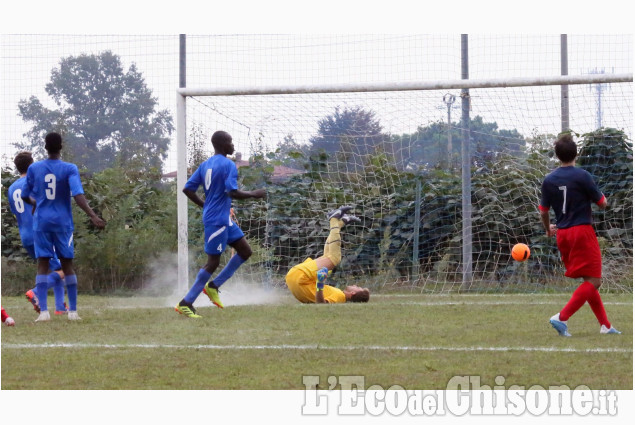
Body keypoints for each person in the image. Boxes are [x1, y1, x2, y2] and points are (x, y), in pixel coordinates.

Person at [175, 130, 266, 318]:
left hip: (222, 218)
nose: (233, 146)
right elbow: (232, 192)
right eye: (231, 142)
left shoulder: (205, 165)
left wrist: (205, 205)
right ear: (223, 144)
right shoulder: (229, 165)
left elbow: (188, 189)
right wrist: (253, 194)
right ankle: (186, 303)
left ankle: (213, 286)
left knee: (245, 251)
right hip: (217, 221)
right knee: (213, 262)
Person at [539, 133, 620, 337]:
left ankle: (605, 325)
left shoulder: (549, 180)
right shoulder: (582, 176)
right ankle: (561, 317)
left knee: (589, 279)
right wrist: (604, 200)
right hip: (581, 231)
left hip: (563, 234)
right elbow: (602, 203)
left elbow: (543, 211)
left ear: (557, 156)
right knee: (595, 281)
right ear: (577, 154)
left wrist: (548, 228)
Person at [21, 132, 106, 322]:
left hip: (41, 222)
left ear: (45, 147)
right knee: (67, 265)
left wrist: (36, 203)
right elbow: (77, 194)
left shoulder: (35, 168)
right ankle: (73, 312)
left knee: (42, 264)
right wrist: (93, 215)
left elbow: (25, 195)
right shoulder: (69, 168)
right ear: (61, 147)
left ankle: (44, 313)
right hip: (62, 223)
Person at [8, 151, 68, 316]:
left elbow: (17, 212)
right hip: (42, 232)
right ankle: (35, 292)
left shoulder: (12, 188)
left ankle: (59, 307)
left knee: (52, 268)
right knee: (64, 268)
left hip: (25, 235)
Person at [286, 206, 370, 304]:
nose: (356, 285)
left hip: (301, 278)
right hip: (294, 279)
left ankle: (334, 219)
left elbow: (322, 304)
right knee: (328, 258)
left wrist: (320, 283)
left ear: (352, 293)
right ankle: (340, 224)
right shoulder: (339, 294)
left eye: (358, 287)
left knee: (335, 259)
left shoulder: (340, 297)